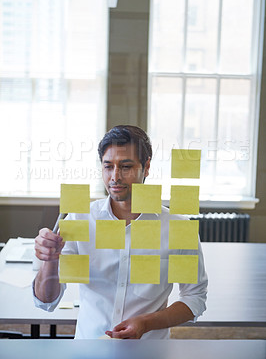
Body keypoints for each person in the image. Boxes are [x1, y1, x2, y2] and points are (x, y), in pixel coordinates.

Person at [33, 125, 208, 339]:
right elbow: (47, 302)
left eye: (126, 167)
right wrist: (49, 261)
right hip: (89, 350)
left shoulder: (177, 226)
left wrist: (146, 323)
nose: (115, 177)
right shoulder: (81, 220)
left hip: (148, 351)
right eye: (108, 166)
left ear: (147, 166)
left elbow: (194, 298)